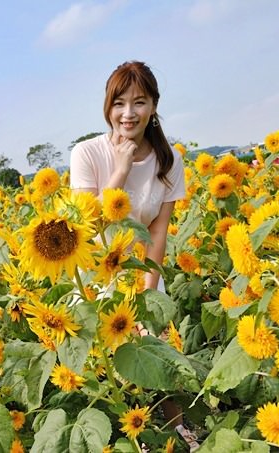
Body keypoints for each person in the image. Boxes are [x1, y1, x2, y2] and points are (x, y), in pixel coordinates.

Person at [69, 61, 198, 449]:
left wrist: (146, 295)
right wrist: (121, 169)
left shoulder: (169, 159)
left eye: (139, 102)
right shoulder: (87, 154)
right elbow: (90, 227)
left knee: (158, 349)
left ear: (154, 106)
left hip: (143, 275)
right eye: (119, 103)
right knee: (106, 368)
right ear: (107, 108)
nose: (128, 114)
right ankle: (127, 437)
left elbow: (158, 231)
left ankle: (178, 428)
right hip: (95, 281)